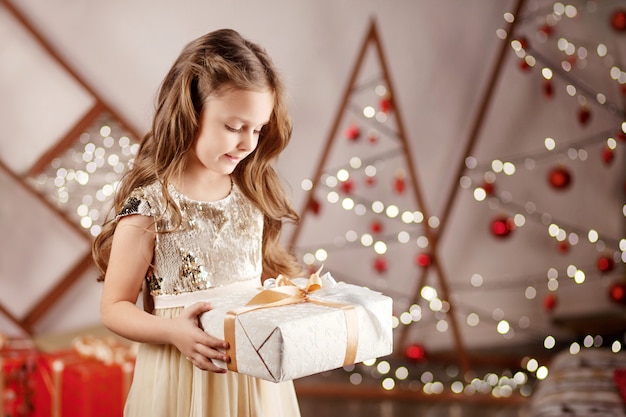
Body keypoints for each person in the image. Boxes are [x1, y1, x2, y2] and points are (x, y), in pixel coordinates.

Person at [92, 28, 304, 417]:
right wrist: (173, 332)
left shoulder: (250, 194)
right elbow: (115, 306)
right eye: (234, 126)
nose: (247, 143)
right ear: (192, 111)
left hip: (251, 379)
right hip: (180, 379)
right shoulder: (152, 207)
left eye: (258, 129)